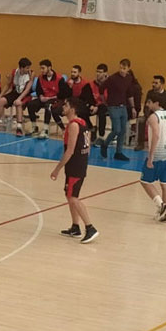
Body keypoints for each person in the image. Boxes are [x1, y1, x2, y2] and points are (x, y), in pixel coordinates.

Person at [50, 97, 98, 244]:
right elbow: (87, 147)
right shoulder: (82, 122)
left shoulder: (73, 126)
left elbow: (70, 151)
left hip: (75, 165)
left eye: (66, 105)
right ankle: (75, 227)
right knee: (69, 194)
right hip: (79, 164)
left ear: (72, 109)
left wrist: (56, 169)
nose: (63, 107)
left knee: (73, 197)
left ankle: (90, 228)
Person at [140, 90, 166, 222]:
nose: (147, 105)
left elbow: (157, 135)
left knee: (145, 181)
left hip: (159, 153)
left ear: (156, 103)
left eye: (149, 102)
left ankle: (161, 206)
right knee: (165, 184)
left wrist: (151, 156)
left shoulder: (153, 117)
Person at [100, 58, 139, 161]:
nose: (122, 70)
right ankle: (105, 144)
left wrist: (133, 108)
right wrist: (105, 101)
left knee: (123, 131)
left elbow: (129, 93)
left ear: (128, 69)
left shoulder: (129, 78)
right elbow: (101, 88)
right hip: (113, 106)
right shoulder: (112, 78)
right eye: (121, 67)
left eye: (124, 68)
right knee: (116, 130)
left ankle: (119, 152)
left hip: (123, 107)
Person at [26, 59, 68, 139]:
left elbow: (63, 93)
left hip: (55, 98)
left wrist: (50, 98)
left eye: (43, 68)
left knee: (48, 106)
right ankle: (34, 127)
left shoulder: (59, 79)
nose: (41, 70)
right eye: (40, 68)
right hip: (44, 98)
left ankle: (45, 130)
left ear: (49, 68)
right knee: (30, 104)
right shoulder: (40, 77)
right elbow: (38, 90)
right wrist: (41, 96)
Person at [0, 57, 33, 136]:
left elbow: (27, 89)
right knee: (1, 101)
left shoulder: (31, 74)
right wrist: (0, 96)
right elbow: (8, 85)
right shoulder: (14, 72)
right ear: (21, 68)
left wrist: (19, 98)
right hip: (15, 92)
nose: (28, 69)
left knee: (18, 103)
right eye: (27, 68)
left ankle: (19, 127)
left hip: (25, 94)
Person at [134, 75, 166, 151]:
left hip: (161, 116)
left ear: (161, 84)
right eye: (153, 82)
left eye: (156, 83)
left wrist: (157, 116)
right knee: (141, 121)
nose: (153, 84)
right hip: (150, 114)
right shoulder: (150, 93)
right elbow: (146, 106)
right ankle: (140, 144)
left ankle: (161, 144)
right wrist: (148, 117)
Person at [91, 63, 110, 144]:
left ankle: (101, 136)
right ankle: (91, 129)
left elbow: (107, 100)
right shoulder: (92, 83)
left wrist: (98, 106)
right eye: (97, 72)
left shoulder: (110, 84)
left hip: (106, 105)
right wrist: (92, 105)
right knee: (82, 110)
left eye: (100, 72)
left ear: (105, 73)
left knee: (102, 111)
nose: (98, 74)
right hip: (95, 105)